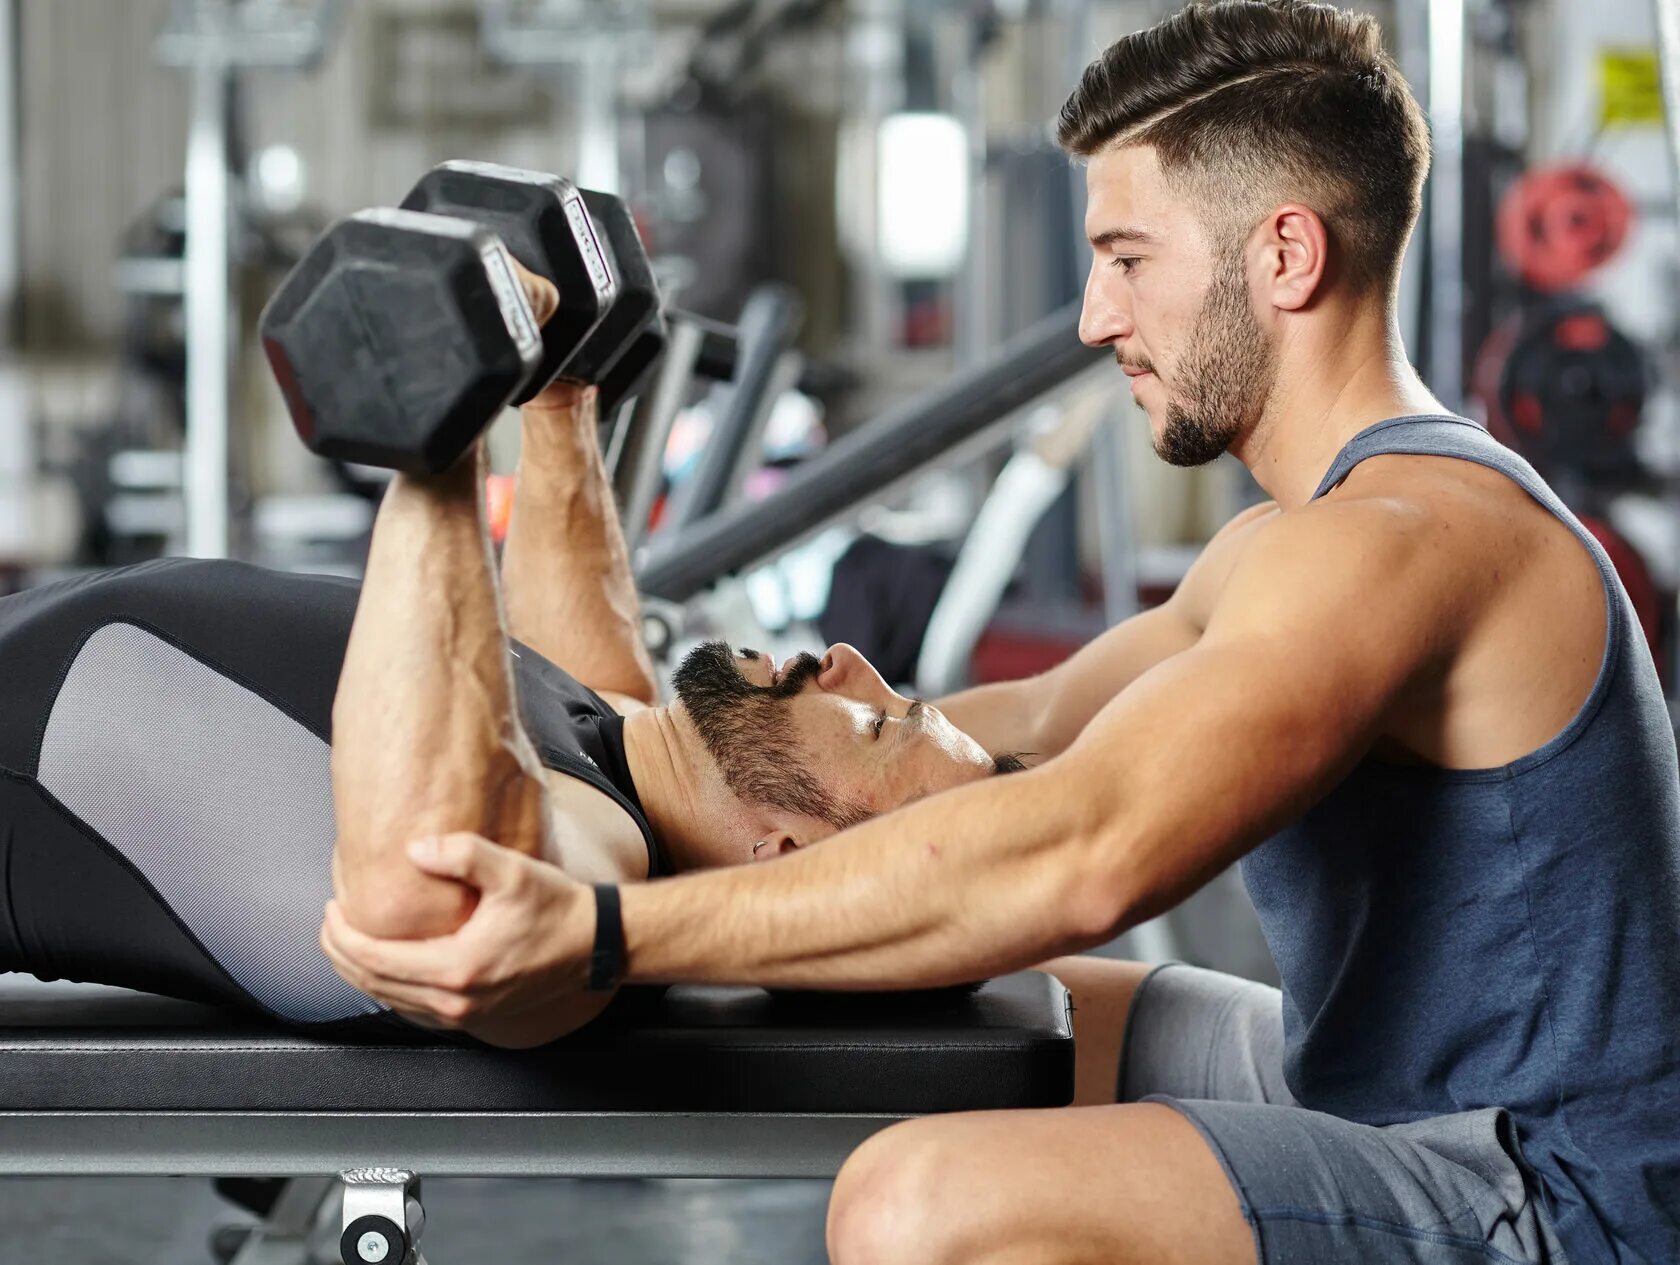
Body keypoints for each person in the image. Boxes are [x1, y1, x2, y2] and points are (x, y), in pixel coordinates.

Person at [323, 3, 1680, 1263]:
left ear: (1285, 253)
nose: (1099, 318)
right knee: (1024, 1014)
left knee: (923, 1201)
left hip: (1559, 1198)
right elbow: (983, 742)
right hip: (1379, 1084)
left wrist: (609, 931)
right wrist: (670, 752)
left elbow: (1087, 850)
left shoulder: (1401, 545)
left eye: (1129, 261)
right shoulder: (1282, 544)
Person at [0, 259, 1018, 1041]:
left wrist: (439, 426)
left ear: (786, 851)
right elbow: (587, 650)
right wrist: (560, 395)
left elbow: (433, 900)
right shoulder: (624, 763)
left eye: (880, 721)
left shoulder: (589, 871)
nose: (845, 657)